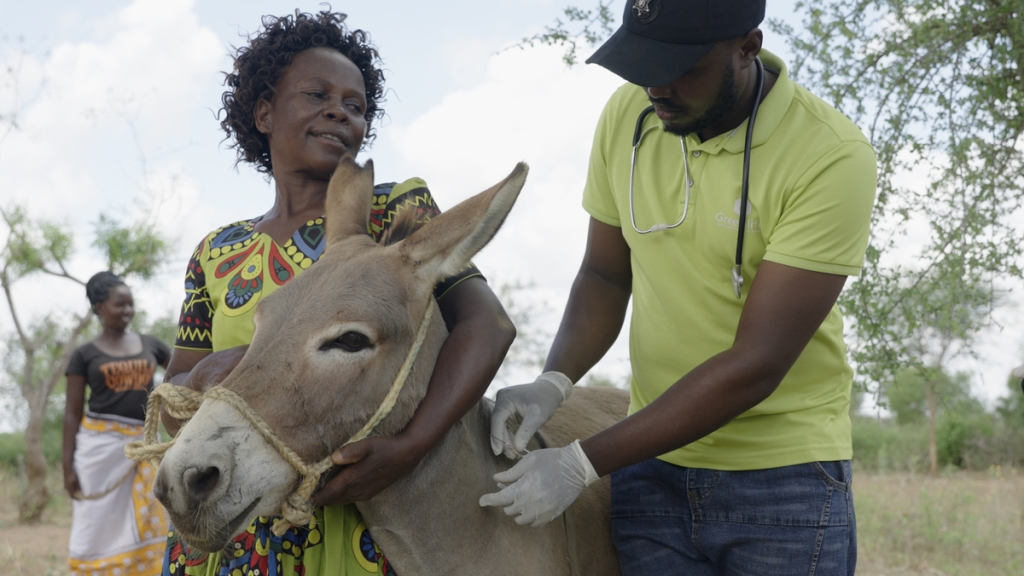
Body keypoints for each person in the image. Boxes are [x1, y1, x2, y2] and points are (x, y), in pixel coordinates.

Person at [480, 1, 877, 574]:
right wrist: (555, 379)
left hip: (782, 484)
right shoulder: (628, 117)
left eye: (683, 67)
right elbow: (605, 274)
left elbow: (756, 364)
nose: (656, 87)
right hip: (651, 472)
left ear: (748, 46)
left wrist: (581, 463)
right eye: (642, 65)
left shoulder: (829, 156)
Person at [159, 9, 515, 576]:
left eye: (356, 105)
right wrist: (204, 380)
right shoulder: (216, 252)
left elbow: (487, 326)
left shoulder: (394, 210)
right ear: (264, 112)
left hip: (368, 523)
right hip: (228, 514)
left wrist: (411, 447)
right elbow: (174, 391)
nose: (339, 111)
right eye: (317, 94)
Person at [63, 271, 171, 575]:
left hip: (143, 444)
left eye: (130, 304)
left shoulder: (151, 344)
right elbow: (71, 414)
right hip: (98, 449)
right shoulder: (84, 355)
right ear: (99, 307)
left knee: (154, 509)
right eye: (119, 305)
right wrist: (67, 467)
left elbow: (183, 373)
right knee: (95, 517)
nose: (128, 311)